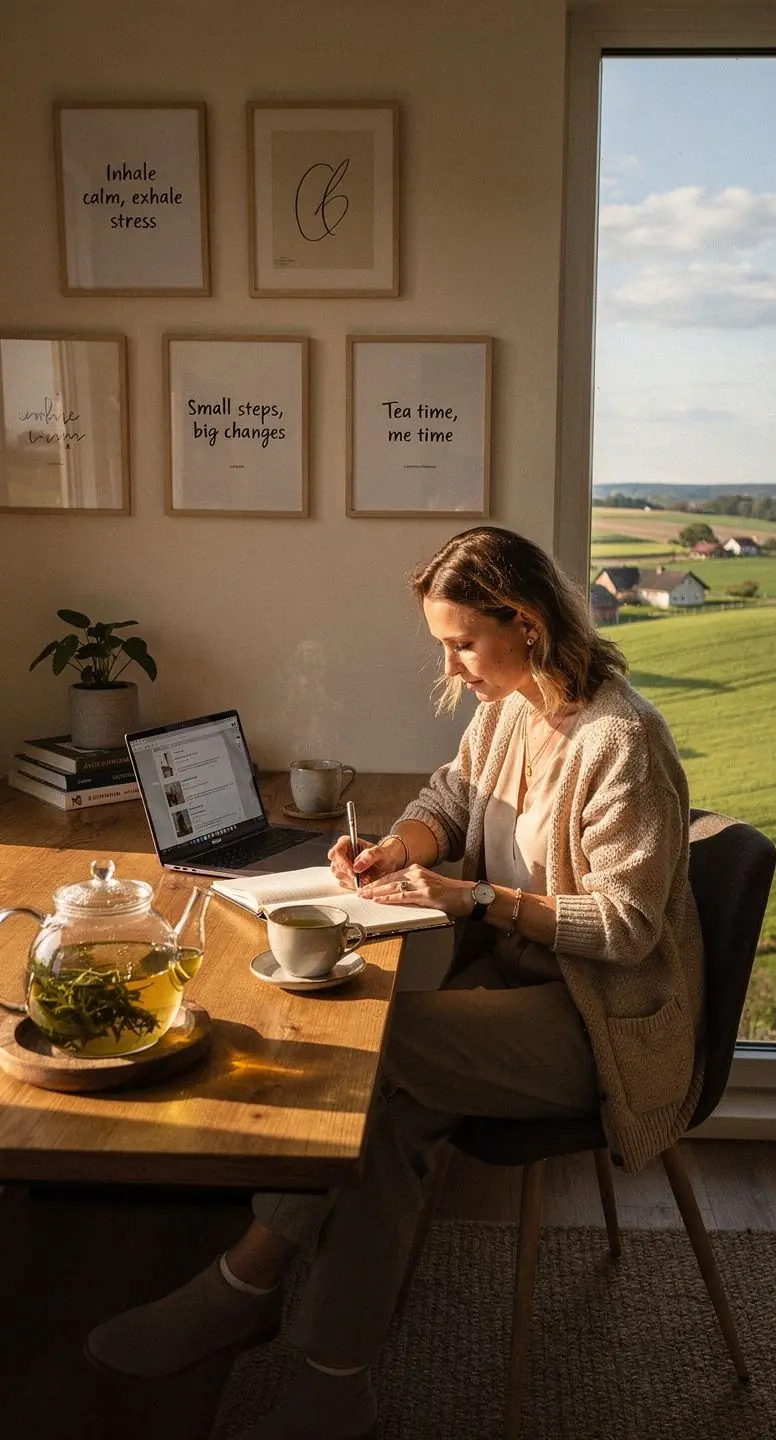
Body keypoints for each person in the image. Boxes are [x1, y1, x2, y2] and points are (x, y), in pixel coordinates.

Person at [86, 527, 705, 1440]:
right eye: (440, 643)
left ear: (526, 624)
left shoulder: (622, 742)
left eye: (460, 641)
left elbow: (625, 927)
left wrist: (476, 897)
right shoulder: (508, 709)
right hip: (517, 987)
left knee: (379, 1056)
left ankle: (244, 1285)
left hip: (602, 1021)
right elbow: (449, 800)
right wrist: (394, 849)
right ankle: (329, 1371)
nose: (450, 663)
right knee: (387, 1110)